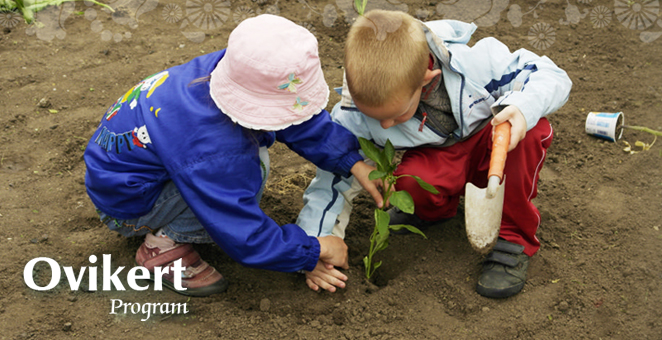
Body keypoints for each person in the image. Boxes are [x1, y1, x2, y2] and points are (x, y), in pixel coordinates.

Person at [83, 14, 384, 297]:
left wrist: (352, 161)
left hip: (122, 171)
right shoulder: (214, 149)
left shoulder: (232, 69)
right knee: (251, 169)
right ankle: (162, 247)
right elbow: (241, 230)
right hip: (128, 203)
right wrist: (311, 251)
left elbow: (296, 117)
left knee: (243, 164)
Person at [298, 10, 571, 298]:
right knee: (411, 180)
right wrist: (315, 243)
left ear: (428, 80)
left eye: (396, 115)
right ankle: (434, 212)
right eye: (376, 118)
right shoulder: (355, 110)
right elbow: (332, 178)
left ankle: (512, 240)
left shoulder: (475, 65)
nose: (386, 126)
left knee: (530, 131)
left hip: (492, 146)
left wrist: (522, 107)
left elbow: (550, 74)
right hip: (439, 156)